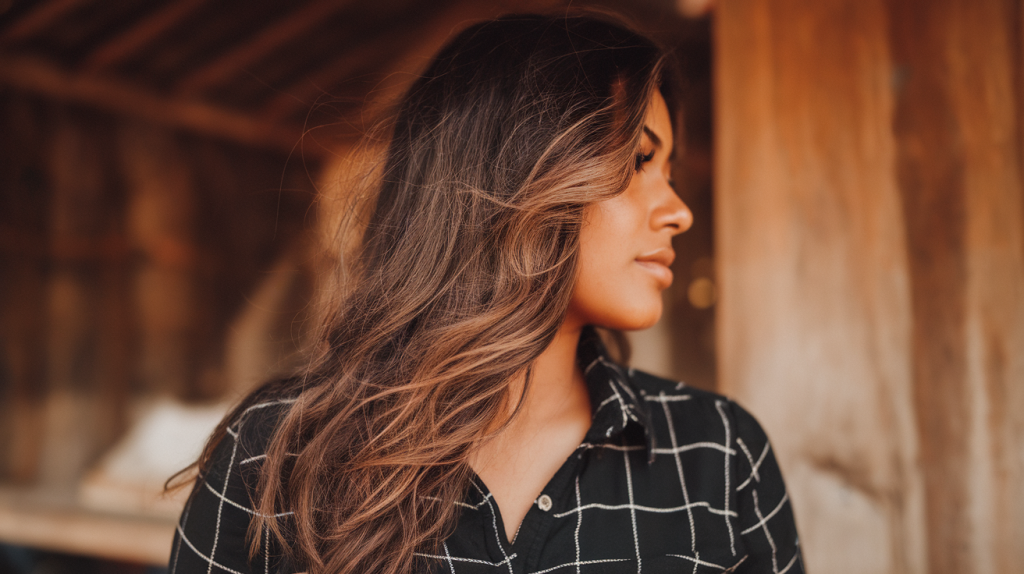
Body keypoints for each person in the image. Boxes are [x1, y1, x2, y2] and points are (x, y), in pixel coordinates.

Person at [168, 12, 803, 574]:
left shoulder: (720, 451)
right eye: (637, 162)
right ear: (517, 171)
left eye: (670, 173)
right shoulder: (278, 453)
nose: (679, 212)